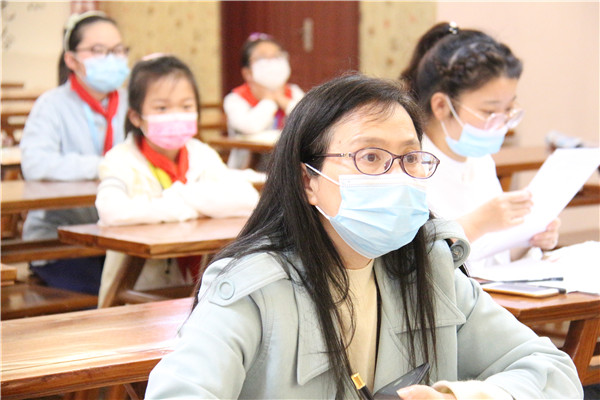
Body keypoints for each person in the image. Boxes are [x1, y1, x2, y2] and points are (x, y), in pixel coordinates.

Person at [145, 74, 582, 399]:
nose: (396, 175)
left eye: (410, 158)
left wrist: (460, 397)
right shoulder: (253, 289)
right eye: (370, 157)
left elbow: (552, 372)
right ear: (308, 180)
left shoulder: (429, 270)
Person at [95, 54, 260, 306]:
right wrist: (193, 207)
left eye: (186, 106)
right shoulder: (120, 159)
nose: (175, 115)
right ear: (136, 116)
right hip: (137, 288)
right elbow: (111, 211)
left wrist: (181, 195)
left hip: (199, 288)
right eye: (161, 108)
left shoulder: (202, 154)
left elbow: (246, 200)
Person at [400, 22, 560, 275]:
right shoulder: (408, 167)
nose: (502, 122)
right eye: (489, 111)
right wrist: (479, 223)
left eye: (508, 109)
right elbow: (410, 264)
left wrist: (529, 239)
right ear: (441, 106)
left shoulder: (480, 159)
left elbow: (491, 256)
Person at [19, 10, 130, 294]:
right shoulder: (51, 105)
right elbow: (36, 164)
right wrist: (105, 166)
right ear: (71, 60)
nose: (111, 58)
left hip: (123, 235)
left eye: (118, 50)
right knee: (104, 297)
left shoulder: (132, 104)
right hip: (60, 240)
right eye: (98, 51)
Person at [223, 32, 304, 169]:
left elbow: (309, 121)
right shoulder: (235, 99)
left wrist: (283, 101)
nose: (272, 63)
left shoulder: (294, 92)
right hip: (247, 170)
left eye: (277, 56)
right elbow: (250, 127)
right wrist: (270, 101)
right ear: (247, 73)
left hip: (289, 168)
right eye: (262, 58)